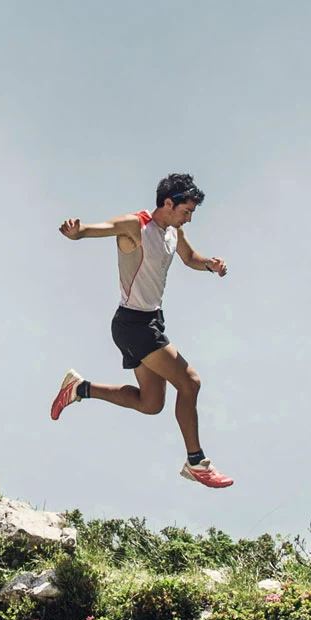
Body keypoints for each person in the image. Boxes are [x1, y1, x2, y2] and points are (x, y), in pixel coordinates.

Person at [50, 173, 234, 487]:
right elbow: (100, 229)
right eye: (186, 211)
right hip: (134, 324)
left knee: (151, 404)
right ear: (167, 203)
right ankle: (196, 462)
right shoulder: (136, 225)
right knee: (189, 383)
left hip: (148, 321)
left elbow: (189, 258)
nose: (188, 219)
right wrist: (76, 232)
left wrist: (210, 265)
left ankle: (80, 388)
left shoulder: (173, 231)